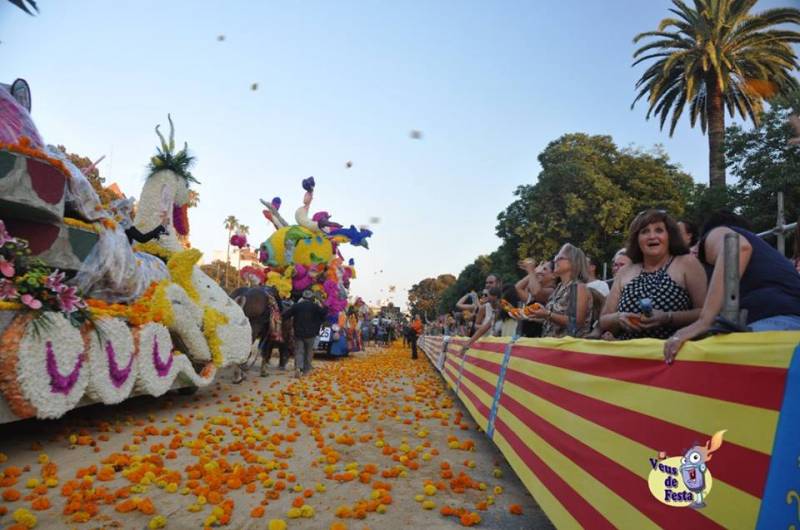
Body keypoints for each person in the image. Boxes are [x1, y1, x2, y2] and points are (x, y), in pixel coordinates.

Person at [664, 211, 800, 363]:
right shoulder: (766, 258)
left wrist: (703, 322)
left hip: (776, 326)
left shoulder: (715, 233)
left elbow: (738, 247)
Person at [599, 209, 707, 341]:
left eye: (659, 230)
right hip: (627, 353)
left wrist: (668, 317)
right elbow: (603, 320)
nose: (652, 236)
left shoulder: (687, 263)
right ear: (636, 239)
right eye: (644, 231)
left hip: (672, 355)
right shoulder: (625, 271)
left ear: (669, 235)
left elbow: (705, 313)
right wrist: (618, 318)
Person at [527, 243, 593, 337]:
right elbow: (555, 322)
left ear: (573, 262)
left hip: (568, 348)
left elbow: (575, 323)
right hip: (554, 347)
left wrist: (547, 314)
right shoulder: (559, 288)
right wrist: (536, 316)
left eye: (560, 257)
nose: (555, 260)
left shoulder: (577, 287)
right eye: (556, 257)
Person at [281, 289, 328, 378]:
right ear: (311, 298)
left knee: (299, 351)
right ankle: (306, 370)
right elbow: (324, 313)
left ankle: (298, 368)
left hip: (298, 333)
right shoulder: (315, 306)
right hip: (311, 334)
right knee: (308, 352)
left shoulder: (297, 306)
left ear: (303, 297)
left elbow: (285, 315)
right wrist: (322, 302)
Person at [514, 259, 556, 338]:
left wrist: (531, 271)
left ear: (554, 275)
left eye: (545, 269)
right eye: (541, 268)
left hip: (542, 339)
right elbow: (518, 288)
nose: (540, 271)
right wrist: (533, 271)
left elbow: (536, 292)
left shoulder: (552, 291)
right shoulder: (535, 296)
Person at [460, 287, 501, 352]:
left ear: (496, 297)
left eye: (486, 295)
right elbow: (477, 326)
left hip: (499, 345)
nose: (484, 296)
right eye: (483, 295)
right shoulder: (482, 307)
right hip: (484, 341)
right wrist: (484, 328)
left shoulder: (502, 308)